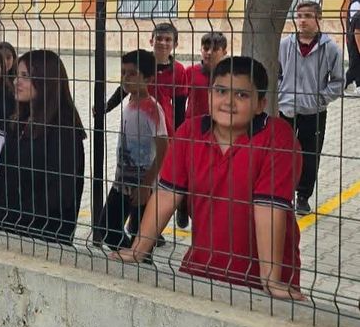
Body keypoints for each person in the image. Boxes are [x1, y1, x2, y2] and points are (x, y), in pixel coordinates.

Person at [112, 57, 304, 301]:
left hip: (265, 277)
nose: (228, 102)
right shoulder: (190, 132)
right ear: (210, 95)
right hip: (204, 268)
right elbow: (166, 195)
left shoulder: (277, 137)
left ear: (260, 104)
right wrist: (137, 251)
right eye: (221, 91)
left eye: (242, 95)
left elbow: (269, 207)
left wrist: (270, 278)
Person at [0, 50, 87, 245]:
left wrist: (9, 218)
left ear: (45, 81)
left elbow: (59, 193)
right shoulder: (20, 121)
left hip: (44, 236)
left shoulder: (64, 129)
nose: (16, 82)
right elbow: (3, 176)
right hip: (11, 229)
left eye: (25, 77)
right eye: (18, 75)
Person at [95, 50, 168, 250]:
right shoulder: (131, 101)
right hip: (122, 181)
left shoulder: (152, 109)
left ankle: (138, 262)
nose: (125, 78)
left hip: (142, 183)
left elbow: (164, 147)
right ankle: (129, 256)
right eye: (123, 72)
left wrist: (146, 185)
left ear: (148, 78)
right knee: (108, 228)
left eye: (132, 73)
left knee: (140, 236)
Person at [278, 1, 343, 215]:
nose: (302, 20)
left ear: (318, 18)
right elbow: (276, 72)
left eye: (307, 15)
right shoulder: (285, 45)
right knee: (282, 153)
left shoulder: (330, 48)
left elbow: (337, 81)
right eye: (299, 16)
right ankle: (281, 193)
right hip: (286, 109)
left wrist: (321, 99)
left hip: (314, 112)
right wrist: (281, 94)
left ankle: (303, 196)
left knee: (310, 155)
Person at [176, 31, 227, 229]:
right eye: (206, 48)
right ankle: (182, 206)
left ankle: (205, 212)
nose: (209, 53)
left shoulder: (227, 75)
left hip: (218, 131)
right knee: (188, 172)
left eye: (215, 49)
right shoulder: (191, 72)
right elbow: (181, 100)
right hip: (194, 130)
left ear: (224, 51)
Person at [101, 23, 187, 135]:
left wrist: (179, 136)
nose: (163, 43)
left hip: (164, 126)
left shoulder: (179, 70)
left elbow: (180, 107)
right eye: (159, 38)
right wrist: (105, 108)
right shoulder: (140, 63)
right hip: (137, 119)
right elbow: (123, 90)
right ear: (151, 41)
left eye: (168, 39)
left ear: (175, 44)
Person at [345, 0, 360, 95]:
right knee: (355, 64)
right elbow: (357, 30)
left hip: (354, 38)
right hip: (354, 40)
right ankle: (344, 84)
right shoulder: (356, 3)